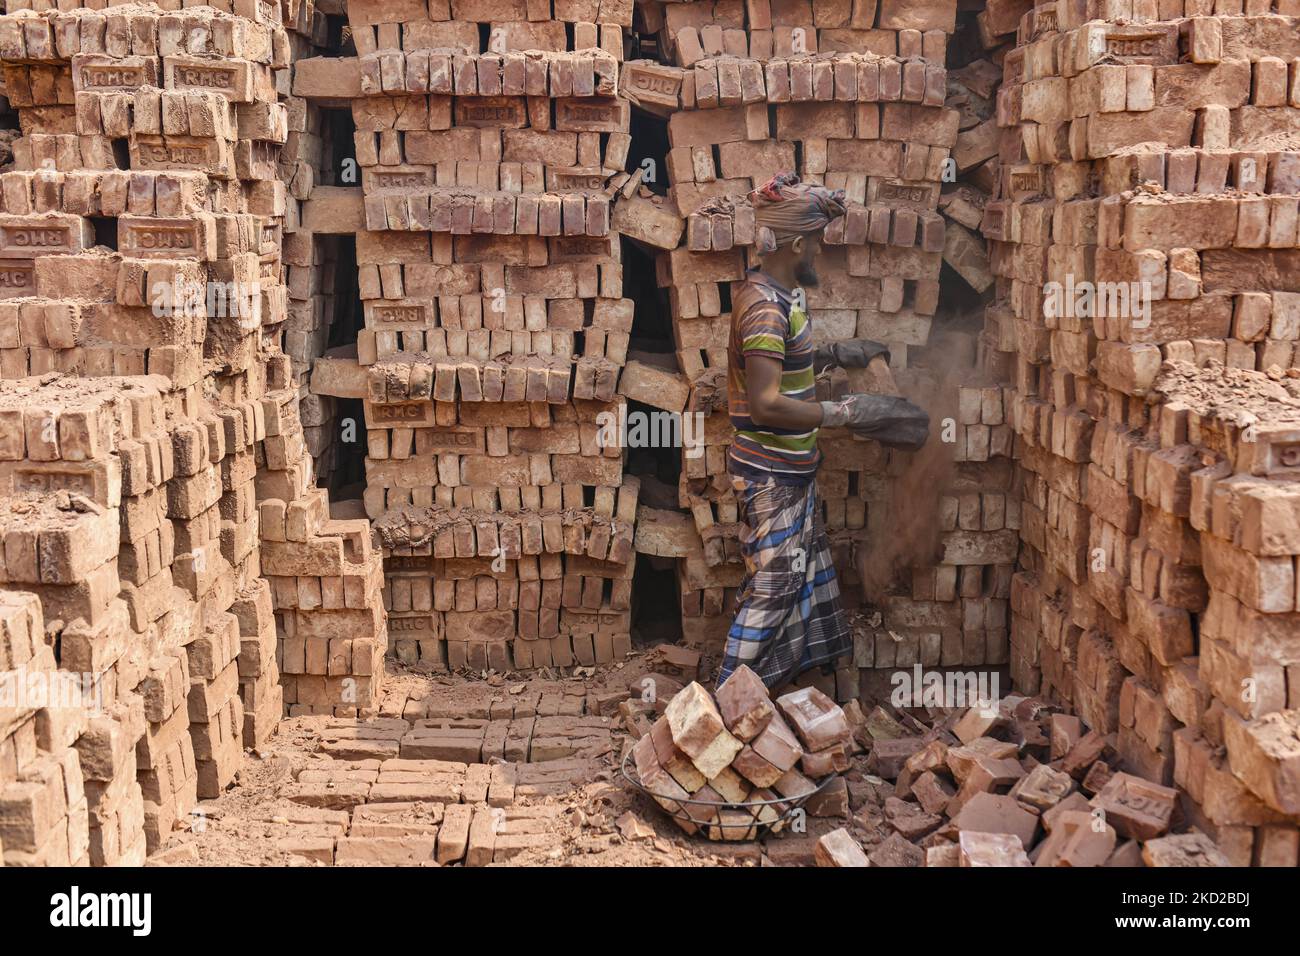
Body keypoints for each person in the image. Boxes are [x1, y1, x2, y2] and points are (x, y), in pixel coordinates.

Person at [718, 171, 910, 692]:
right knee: (774, 591)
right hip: (770, 475)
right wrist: (844, 413)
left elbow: (784, 367)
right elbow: (764, 404)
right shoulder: (763, 307)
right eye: (819, 246)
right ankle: (716, 716)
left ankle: (780, 708)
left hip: (790, 472)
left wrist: (833, 355)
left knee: (799, 585)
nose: (821, 257)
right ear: (797, 243)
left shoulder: (781, 296)